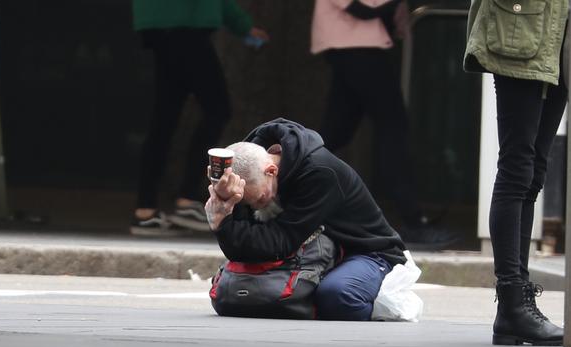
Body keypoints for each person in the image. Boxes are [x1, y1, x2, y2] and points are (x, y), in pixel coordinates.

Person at [205, 118, 407, 320]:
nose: (256, 206)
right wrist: (227, 202)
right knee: (239, 295)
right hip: (310, 251)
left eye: (259, 199)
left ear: (271, 171)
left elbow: (278, 243)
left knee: (337, 297)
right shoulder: (250, 169)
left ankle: (370, 301)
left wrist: (222, 223)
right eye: (247, 203)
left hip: (365, 251)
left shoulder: (319, 172)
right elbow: (243, 250)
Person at [310, 0, 459, 249]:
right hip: (357, 46)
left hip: (353, 45)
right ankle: (413, 221)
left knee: (336, 132)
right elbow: (362, 8)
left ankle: (284, 191)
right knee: (392, 129)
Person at [464, 0, 567, 346]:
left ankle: (518, 307)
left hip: (559, 38)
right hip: (521, 31)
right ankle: (512, 301)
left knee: (535, 169)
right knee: (517, 168)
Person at [130, 0, 269, 235]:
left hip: (165, 26)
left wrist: (243, 26)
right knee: (216, 110)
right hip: (185, 30)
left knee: (165, 119)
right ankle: (186, 198)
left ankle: (146, 208)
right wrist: (242, 25)